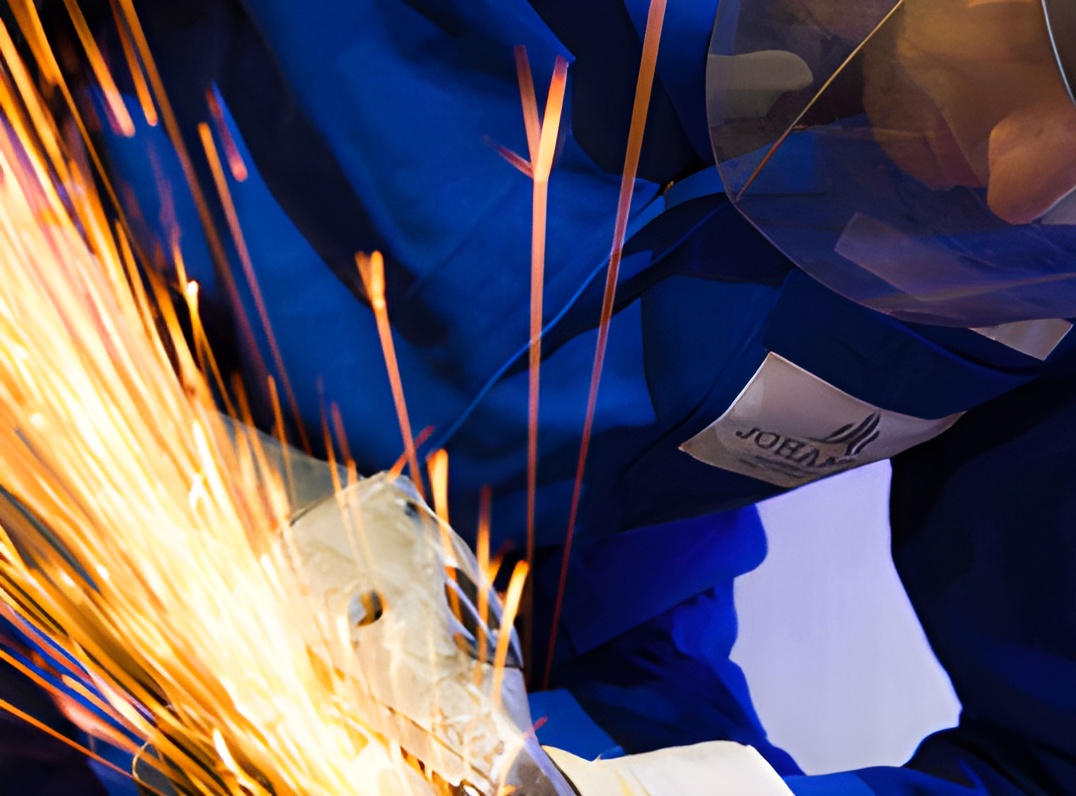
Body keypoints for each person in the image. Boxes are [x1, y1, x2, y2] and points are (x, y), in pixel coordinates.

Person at [11, 0, 1076, 792]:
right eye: (1068, 55)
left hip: (546, 674)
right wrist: (230, 489)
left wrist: (638, 787)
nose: (1016, 186)